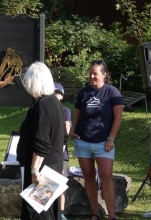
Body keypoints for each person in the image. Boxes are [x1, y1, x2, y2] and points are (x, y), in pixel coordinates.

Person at [69, 60, 123, 220]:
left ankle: (111, 215)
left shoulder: (112, 92)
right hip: (82, 141)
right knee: (88, 176)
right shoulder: (83, 92)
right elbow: (77, 114)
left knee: (106, 176)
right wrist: (72, 130)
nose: (92, 76)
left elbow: (118, 117)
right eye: (90, 73)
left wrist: (110, 139)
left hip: (103, 142)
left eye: (95, 73)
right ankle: (95, 213)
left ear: (104, 75)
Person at [16, 61, 65, 220]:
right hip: (53, 167)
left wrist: (34, 170)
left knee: (37, 214)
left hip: (43, 171)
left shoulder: (43, 105)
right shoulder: (54, 102)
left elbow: (42, 142)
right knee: (48, 212)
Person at [54, 82, 71, 220]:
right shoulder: (44, 109)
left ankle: (61, 212)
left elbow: (67, 132)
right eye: (53, 93)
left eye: (58, 93)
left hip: (61, 153)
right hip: (46, 153)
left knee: (61, 182)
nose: (55, 96)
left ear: (62, 96)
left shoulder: (65, 111)